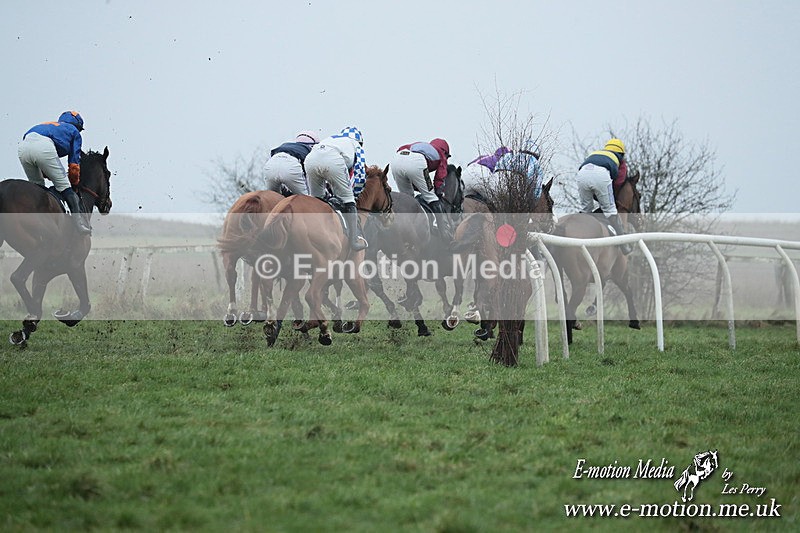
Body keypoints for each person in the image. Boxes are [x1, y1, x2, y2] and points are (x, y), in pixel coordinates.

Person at [18, 111, 91, 234]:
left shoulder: (49, 126)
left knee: (37, 187)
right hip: (44, 147)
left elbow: (41, 159)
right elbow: (74, 165)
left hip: (23, 147)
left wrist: (48, 173)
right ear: (78, 126)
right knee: (65, 186)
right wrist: (73, 182)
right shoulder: (74, 132)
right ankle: (78, 224)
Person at [305, 126, 368, 251]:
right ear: (359, 141)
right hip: (333, 160)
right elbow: (360, 173)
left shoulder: (331, 139)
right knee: (349, 199)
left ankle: (311, 233)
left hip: (310, 160)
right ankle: (354, 241)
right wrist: (355, 194)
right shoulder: (356, 145)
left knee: (317, 200)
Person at [576, 137, 632, 254]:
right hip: (601, 175)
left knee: (586, 210)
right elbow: (618, 183)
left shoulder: (596, 154)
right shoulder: (620, 161)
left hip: (582, 174)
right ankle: (623, 244)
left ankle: (578, 235)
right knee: (610, 210)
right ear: (621, 153)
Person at [391, 138, 452, 238]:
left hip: (396, 160)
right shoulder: (441, 153)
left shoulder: (420, 145)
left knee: (408, 199)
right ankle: (443, 233)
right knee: (432, 197)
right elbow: (440, 177)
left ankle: (403, 229)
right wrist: (438, 191)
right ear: (444, 151)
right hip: (416, 161)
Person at [264, 131, 320, 195]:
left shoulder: (287, 145)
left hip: (270, 165)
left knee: (273, 199)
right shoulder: (309, 150)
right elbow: (309, 176)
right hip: (291, 166)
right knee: (307, 200)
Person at [494, 139, 543, 205]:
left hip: (495, 187)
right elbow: (535, 186)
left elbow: (496, 169)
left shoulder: (509, 156)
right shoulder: (534, 163)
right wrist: (533, 202)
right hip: (515, 195)